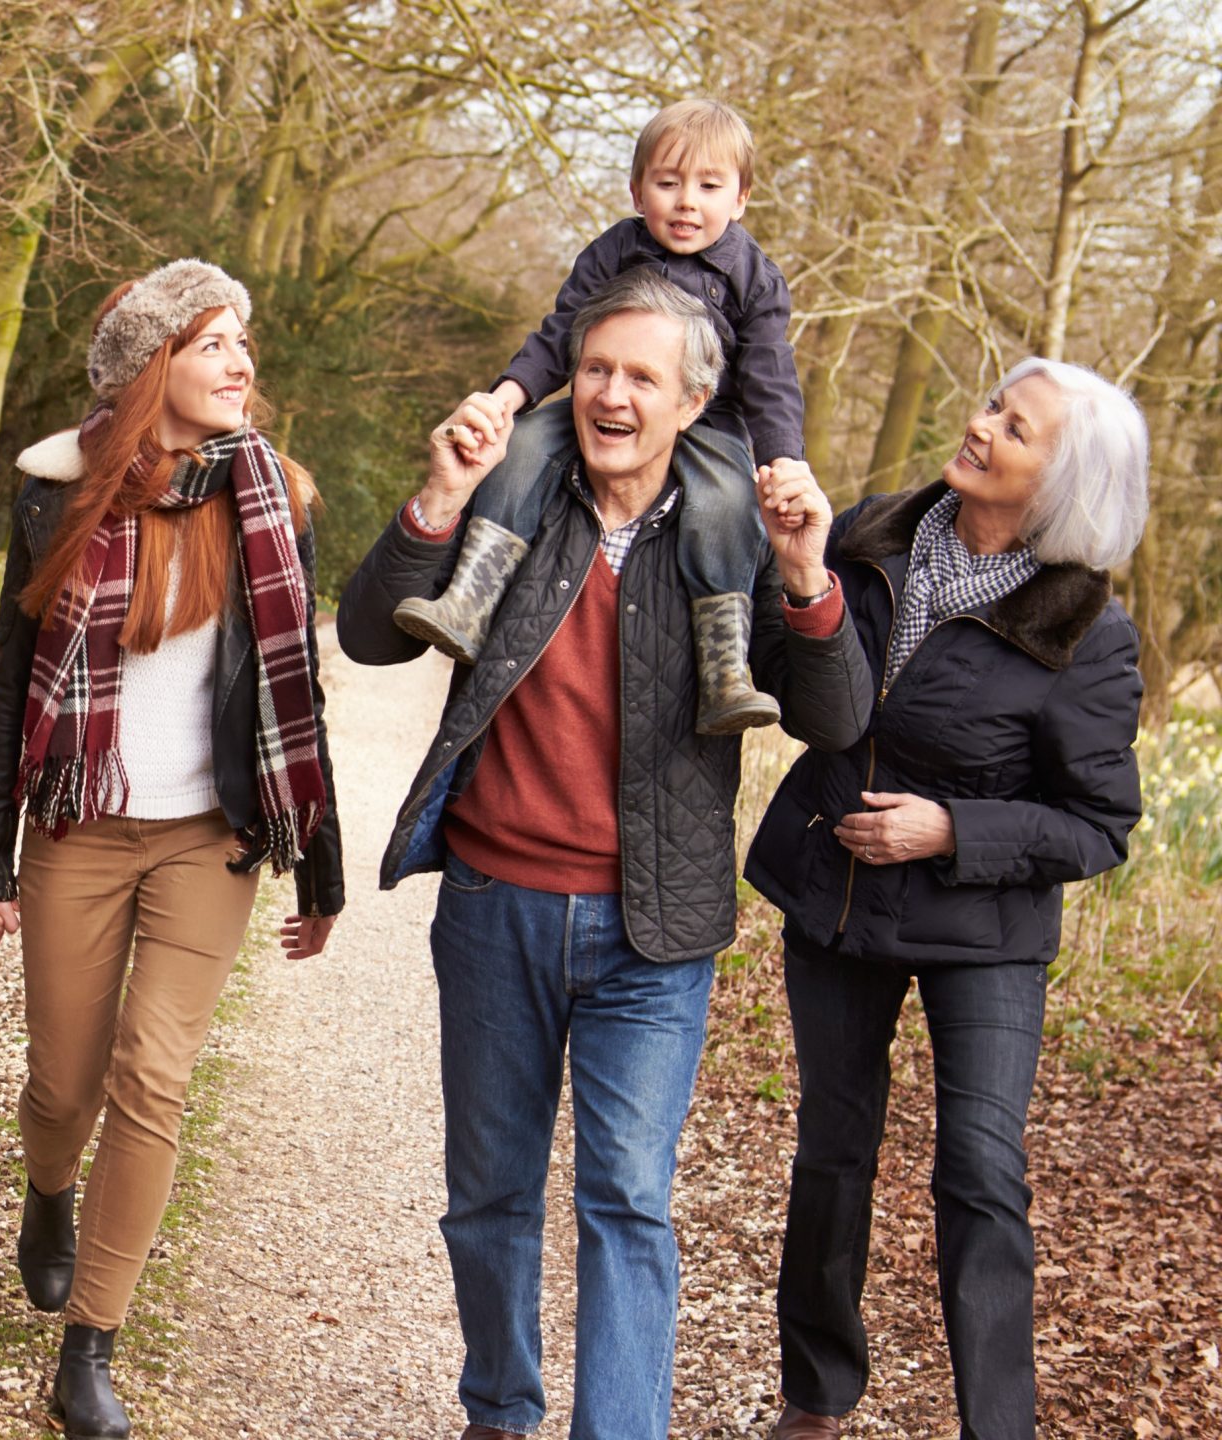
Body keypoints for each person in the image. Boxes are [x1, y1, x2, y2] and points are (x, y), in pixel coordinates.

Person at [339, 267, 875, 1440]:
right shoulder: (516, 499)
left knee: (626, 1200)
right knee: (487, 1194)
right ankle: (498, 1409)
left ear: (693, 403)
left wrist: (805, 576)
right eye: (594, 369)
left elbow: (834, 720)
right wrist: (438, 496)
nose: (611, 395)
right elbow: (368, 637)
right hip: (495, 905)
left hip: (654, 930)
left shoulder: (731, 535)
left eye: (640, 376)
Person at [0, 258, 343, 1440]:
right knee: (62, 1084)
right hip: (77, 827)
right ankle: (48, 1193)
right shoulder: (58, 496)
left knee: (152, 1077)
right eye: (210, 341)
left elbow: (296, 693)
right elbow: (13, 682)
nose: (239, 364)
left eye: (243, 344)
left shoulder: (274, 498)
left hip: (207, 839)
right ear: (148, 363)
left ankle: (90, 1345)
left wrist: (318, 868)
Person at [743, 359, 1147, 1440]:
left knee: (980, 1167)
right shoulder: (870, 532)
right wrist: (796, 576)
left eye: (1014, 428)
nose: (979, 426)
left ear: (1060, 483)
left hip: (984, 929)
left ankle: (997, 1428)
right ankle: (815, 1397)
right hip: (837, 890)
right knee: (833, 1146)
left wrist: (953, 829)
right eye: (992, 406)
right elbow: (786, 674)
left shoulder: (1087, 630)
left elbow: (1098, 824)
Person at [397, 98, 807, 736]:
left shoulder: (755, 278)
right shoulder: (615, 250)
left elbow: (770, 377)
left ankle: (725, 667)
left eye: (708, 187)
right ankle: (471, 597)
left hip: (711, 417)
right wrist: (508, 398)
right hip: (598, 398)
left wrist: (783, 461)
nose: (686, 202)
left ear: (741, 199)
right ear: (638, 191)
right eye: (667, 183)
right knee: (522, 446)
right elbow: (560, 333)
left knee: (729, 502)